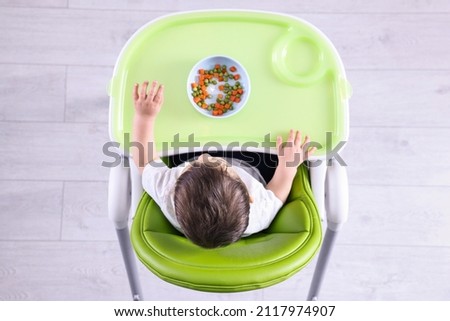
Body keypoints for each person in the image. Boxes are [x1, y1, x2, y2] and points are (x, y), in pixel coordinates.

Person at [131, 81, 316, 248]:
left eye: (195, 164)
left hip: (193, 149)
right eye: (219, 164)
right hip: (252, 164)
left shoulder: (167, 192)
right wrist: (289, 164)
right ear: (250, 196)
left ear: (174, 190)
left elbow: (143, 159)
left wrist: (145, 118)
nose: (204, 156)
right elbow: (278, 191)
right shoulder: (260, 212)